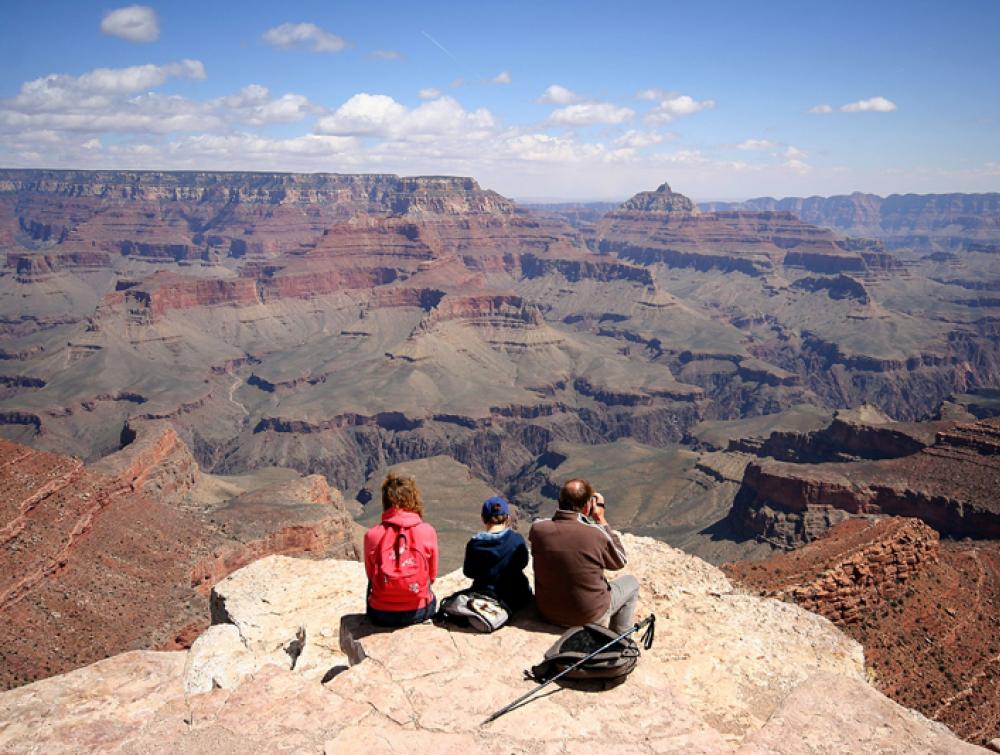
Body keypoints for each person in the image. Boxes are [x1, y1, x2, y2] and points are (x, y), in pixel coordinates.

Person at [529, 479, 639, 633]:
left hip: (547, 613)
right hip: (588, 616)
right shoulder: (595, 533)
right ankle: (620, 643)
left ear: (559, 501)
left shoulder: (537, 528)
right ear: (588, 506)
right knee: (631, 583)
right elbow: (620, 561)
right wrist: (600, 519)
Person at [364, 472, 438, 627]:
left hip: (380, 613)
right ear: (413, 500)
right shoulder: (428, 531)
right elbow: (432, 576)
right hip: (419, 611)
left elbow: (371, 575)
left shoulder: (371, 535)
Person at [462, 496, 532, 612]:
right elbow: (523, 563)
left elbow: (468, 572)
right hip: (515, 596)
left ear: (483, 518)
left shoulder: (474, 544)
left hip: (484, 595)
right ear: (507, 518)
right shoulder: (516, 540)